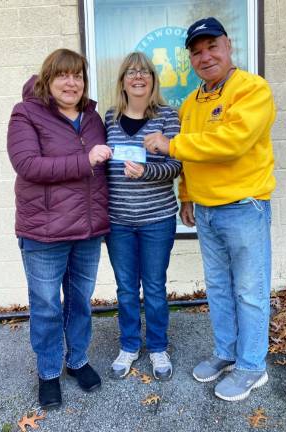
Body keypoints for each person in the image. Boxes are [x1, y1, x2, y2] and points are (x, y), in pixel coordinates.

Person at [144, 17, 276, 401]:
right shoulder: (191, 102)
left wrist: (169, 146)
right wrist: (185, 195)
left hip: (243, 207)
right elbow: (192, 157)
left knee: (250, 291)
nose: (205, 57)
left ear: (228, 45)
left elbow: (230, 142)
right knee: (219, 287)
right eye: (197, 52)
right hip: (206, 210)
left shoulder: (252, 89)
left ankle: (252, 367)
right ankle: (226, 352)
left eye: (211, 47)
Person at [7, 48, 112, 408]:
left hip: (87, 231)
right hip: (44, 232)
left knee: (80, 302)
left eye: (78, 75)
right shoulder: (26, 114)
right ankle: (49, 370)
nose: (72, 82)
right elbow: (28, 165)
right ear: (48, 79)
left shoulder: (93, 117)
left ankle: (77, 360)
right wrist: (84, 161)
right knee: (48, 306)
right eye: (63, 75)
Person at [105, 52, 181, 381]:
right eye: (131, 72)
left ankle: (158, 347)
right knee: (125, 288)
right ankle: (129, 345)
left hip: (156, 219)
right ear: (122, 80)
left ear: (153, 79)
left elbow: (177, 165)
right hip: (117, 221)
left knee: (153, 286)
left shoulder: (167, 116)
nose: (138, 77)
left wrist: (147, 171)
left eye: (145, 72)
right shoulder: (108, 118)